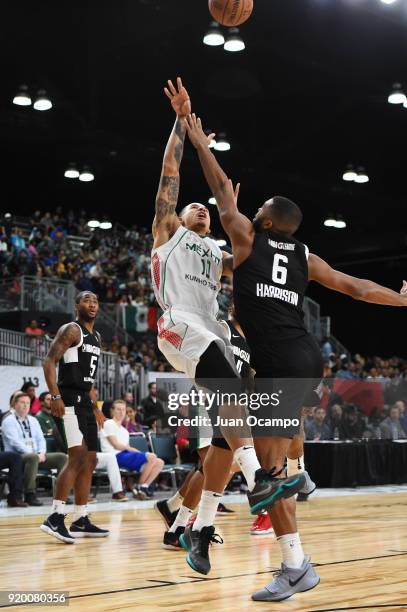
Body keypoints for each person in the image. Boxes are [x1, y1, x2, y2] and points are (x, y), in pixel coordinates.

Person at [185, 110, 407, 601]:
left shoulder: (245, 238)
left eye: (256, 207)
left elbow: (220, 187)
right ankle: (284, 512)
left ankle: (295, 556)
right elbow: (356, 288)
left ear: (262, 219)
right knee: (248, 453)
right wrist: (403, 298)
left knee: (265, 474)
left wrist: (200, 142)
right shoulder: (306, 256)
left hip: (282, 364)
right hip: (303, 358)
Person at [151, 79, 302, 568]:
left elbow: (258, 262)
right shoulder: (168, 231)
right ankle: (260, 477)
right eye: (192, 205)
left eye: (205, 207)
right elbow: (170, 172)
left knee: (224, 435)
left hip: (215, 331)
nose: (199, 207)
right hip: (179, 324)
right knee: (230, 398)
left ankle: (199, 526)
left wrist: (244, 217)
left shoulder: (219, 253)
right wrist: (181, 121)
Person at [40, 291, 109, 544]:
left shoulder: (97, 336)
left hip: (85, 402)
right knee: (77, 456)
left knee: (90, 460)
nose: (92, 304)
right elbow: (49, 362)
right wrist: (55, 397)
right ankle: (55, 516)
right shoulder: (71, 330)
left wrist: (96, 406)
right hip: (68, 398)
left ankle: (81, 517)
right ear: (76, 305)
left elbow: (88, 378)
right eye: (87, 300)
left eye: (95, 300)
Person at [1, 392, 67, 506]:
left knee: (62, 457)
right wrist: (34, 454)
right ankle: (29, 494)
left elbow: (41, 439)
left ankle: (61, 493)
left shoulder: (33, 420)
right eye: (22, 402)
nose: (25, 405)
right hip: (18, 457)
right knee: (32, 457)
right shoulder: (8, 421)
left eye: (28, 403)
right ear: (14, 404)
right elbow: (15, 443)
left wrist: (41, 452)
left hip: (37, 455)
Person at [100, 399, 164, 500]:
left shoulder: (124, 431)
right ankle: (140, 488)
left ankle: (143, 487)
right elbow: (116, 445)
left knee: (159, 462)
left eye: (123, 410)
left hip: (125, 455)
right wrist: (134, 450)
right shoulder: (109, 423)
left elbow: (127, 448)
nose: (121, 412)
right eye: (118, 409)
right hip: (114, 456)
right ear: (112, 411)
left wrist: (135, 451)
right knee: (152, 457)